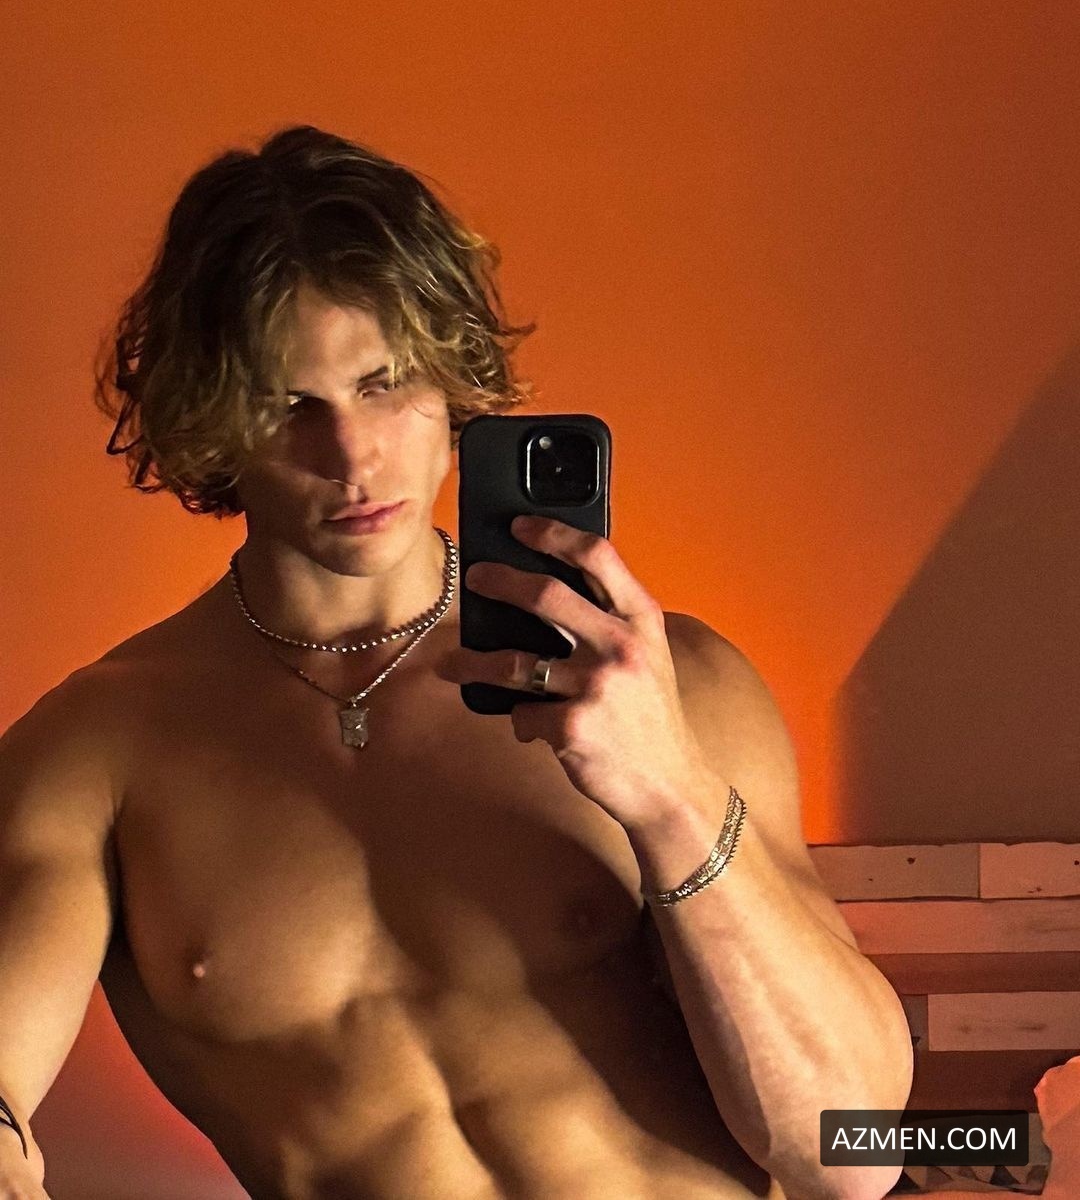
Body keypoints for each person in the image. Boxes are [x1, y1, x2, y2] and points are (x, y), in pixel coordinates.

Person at [0, 125, 913, 1200]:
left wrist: (668, 789)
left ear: (454, 387)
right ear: (210, 420)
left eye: (385, 385)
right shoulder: (95, 757)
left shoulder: (674, 684)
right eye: (288, 406)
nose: (352, 456)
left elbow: (852, 1156)